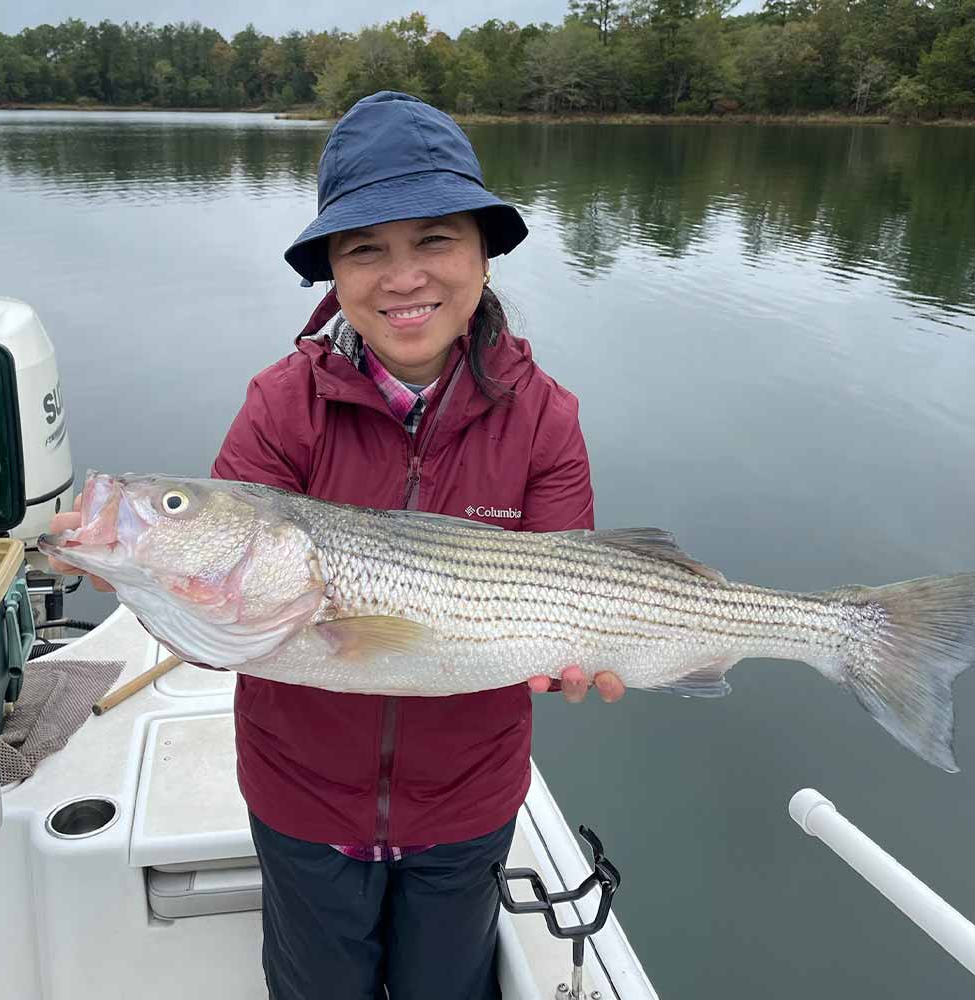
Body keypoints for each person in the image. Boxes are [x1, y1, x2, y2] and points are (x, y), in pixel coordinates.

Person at [49, 91, 625, 999]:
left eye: (435, 239)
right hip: (301, 797)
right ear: (333, 272)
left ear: (484, 253)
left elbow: (570, 587)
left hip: (467, 798)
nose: (403, 277)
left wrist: (577, 660)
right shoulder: (282, 405)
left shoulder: (545, 417)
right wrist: (145, 577)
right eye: (365, 249)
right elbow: (221, 630)